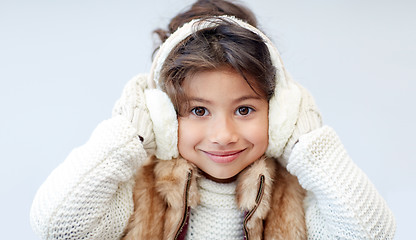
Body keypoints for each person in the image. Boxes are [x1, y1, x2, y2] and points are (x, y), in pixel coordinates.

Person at [30, 0, 396, 239]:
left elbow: (372, 233)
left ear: (281, 112)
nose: (223, 135)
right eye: (199, 111)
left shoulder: (297, 195)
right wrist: (127, 134)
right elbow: (57, 227)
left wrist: (310, 144)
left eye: (245, 110)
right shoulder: (138, 190)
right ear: (161, 117)